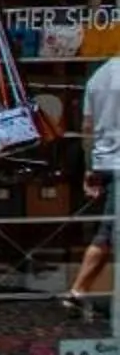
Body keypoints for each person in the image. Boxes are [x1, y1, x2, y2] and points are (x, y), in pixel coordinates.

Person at [76, 51, 120, 300]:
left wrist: (90, 167)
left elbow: (87, 127)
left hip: (104, 159)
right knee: (107, 233)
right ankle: (77, 291)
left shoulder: (97, 77)